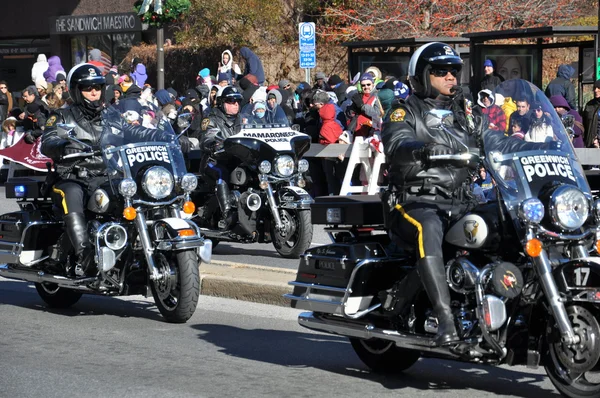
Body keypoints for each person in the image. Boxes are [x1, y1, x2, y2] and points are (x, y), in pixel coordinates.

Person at [381, 42, 546, 346]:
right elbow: (396, 146)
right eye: (440, 71)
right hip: (416, 201)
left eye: (453, 71)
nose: (450, 77)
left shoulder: (465, 114)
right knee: (428, 228)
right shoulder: (403, 111)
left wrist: (533, 146)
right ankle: (446, 322)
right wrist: (424, 149)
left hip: (463, 200)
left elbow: (495, 140)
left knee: (509, 224)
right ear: (420, 75)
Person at [41, 63, 171, 277]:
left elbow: (132, 131)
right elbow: (48, 142)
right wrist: (63, 144)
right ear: (76, 91)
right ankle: (85, 254)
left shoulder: (109, 115)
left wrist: (162, 136)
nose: (94, 92)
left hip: (107, 176)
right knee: (72, 194)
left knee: (139, 192)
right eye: (87, 88)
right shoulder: (62, 117)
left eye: (98, 87)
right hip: (73, 176)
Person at [198, 86, 243, 228]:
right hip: (214, 161)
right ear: (222, 102)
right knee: (221, 173)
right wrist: (214, 144)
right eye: (231, 101)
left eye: (237, 101)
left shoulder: (243, 120)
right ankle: (227, 214)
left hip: (238, 161)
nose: (235, 104)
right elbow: (206, 138)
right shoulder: (211, 119)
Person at [582, 79, 600, 148]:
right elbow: (584, 125)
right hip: (590, 144)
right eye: (594, 88)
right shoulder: (589, 105)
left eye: (599, 88)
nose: (596, 90)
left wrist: (598, 138)